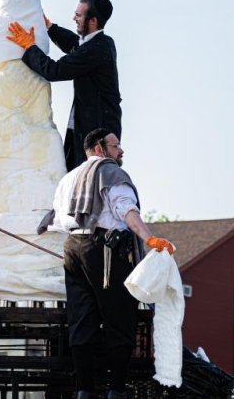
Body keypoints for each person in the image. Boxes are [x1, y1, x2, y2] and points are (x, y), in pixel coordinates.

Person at [53, 127, 174, 398]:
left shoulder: (68, 179)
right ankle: (116, 391)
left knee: (82, 321)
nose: (121, 151)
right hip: (105, 250)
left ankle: (83, 391)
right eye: (116, 145)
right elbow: (125, 209)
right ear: (99, 148)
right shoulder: (111, 172)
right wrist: (149, 238)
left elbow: (60, 220)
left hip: (73, 249)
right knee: (120, 319)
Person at [7, 0, 121, 171]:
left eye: (78, 15)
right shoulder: (96, 44)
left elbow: (55, 70)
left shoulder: (98, 49)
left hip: (97, 135)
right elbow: (74, 44)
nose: (73, 18)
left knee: (89, 181)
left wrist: (29, 47)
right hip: (84, 128)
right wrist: (50, 28)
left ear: (92, 21)